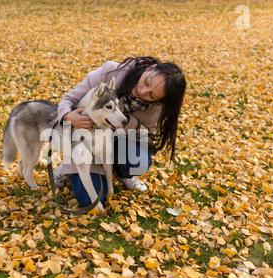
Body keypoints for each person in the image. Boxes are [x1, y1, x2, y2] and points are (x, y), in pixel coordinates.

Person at [55, 56, 186, 208]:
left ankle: (123, 173)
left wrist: (125, 122)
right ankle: (68, 168)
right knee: (90, 200)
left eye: (151, 95)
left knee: (137, 161)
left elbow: (147, 137)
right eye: (147, 82)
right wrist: (68, 116)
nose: (143, 91)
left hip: (117, 142)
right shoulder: (111, 71)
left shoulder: (156, 106)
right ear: (150, 68)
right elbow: (68, 99)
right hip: (84, 142)